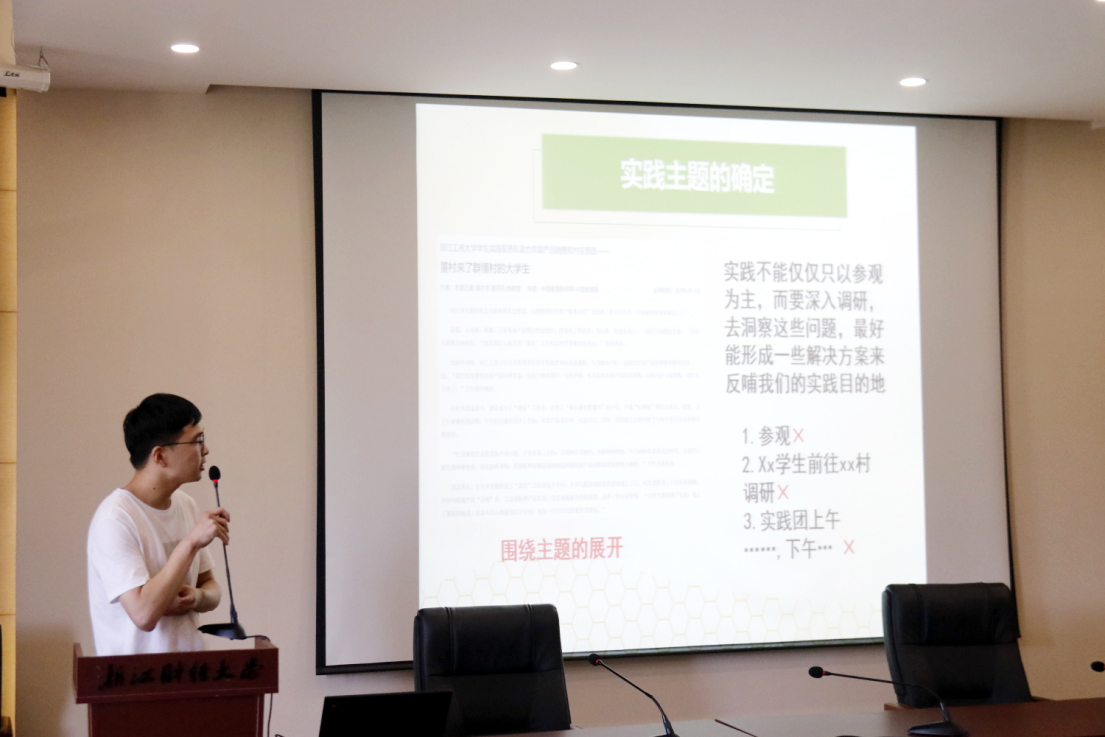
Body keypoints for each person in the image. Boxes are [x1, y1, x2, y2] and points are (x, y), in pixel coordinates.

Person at [87, 393, 230, 655]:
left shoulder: (185, 504)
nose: (206, 450)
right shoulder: (115, 518)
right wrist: (190, 542)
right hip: (137, 676)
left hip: (191, 669)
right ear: (160, 456)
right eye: (197, 441)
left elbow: (211, 588)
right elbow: (144, 615)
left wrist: (196, 597)